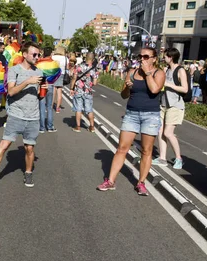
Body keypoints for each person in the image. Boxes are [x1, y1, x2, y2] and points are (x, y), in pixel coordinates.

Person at [98, 47, 165, 196]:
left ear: (154, 58)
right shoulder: (132, 72)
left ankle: (141, 183)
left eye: (146, 57)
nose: (142, 59)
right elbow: (123, 95)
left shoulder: (158, 73)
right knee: (122, 148)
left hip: (150, 115)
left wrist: (147, 73)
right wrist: (128, 88)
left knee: (146, 151)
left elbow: (154, 90)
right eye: (140, 56)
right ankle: (110, 181)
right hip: (132, 114)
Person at [0, 42, 43, 189]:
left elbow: (39, 96)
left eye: (38, 54)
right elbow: (11, 92)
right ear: (24, 54)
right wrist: (28, 81)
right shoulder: (14, 70)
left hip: (32, 116)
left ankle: (28, 173)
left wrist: (43, 90)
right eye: (34, 54)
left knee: (29, 149)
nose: (36, 57)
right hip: (16, 115)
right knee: (4, 144)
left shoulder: (39, 73)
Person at [154, 47, 188, 170]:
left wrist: (168, 84)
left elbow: (185, 89)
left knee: (168, 133)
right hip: (164, 104)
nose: (164, 58)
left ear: (171, 57)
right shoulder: (167, 69)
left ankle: (179, 158)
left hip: (175, 105)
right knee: (160, 132)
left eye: (166, 56)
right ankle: (162, 158)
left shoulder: (180, 71)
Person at [70, 52, 98, 133]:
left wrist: (71, 88)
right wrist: (89, 84)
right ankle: (92, 127)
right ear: (92, 60)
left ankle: (78, 127)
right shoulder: (94, 69)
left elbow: (74, 78)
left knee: (78, 109)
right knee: (89, 110)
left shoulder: (78, 67)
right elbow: (95, 83)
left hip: (78, 91)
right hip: (88, 92)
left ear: (86, 58)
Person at [36, 47, 57, 133]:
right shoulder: (54, 63)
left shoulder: (39, 62)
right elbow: (58, 73)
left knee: (41, 107)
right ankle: (50, 126)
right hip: (51, 85)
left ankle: (41, 127)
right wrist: (51, 80)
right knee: (49, 107)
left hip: (42, 85)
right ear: (51, 53)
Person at [52, 46, 68, 113]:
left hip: (53, 74)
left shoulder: (53, 57)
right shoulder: (66, 58)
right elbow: (67, 67)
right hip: (61, 74)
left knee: (53, 91)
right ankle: (58, 108)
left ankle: (50, 106)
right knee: (59, 91)